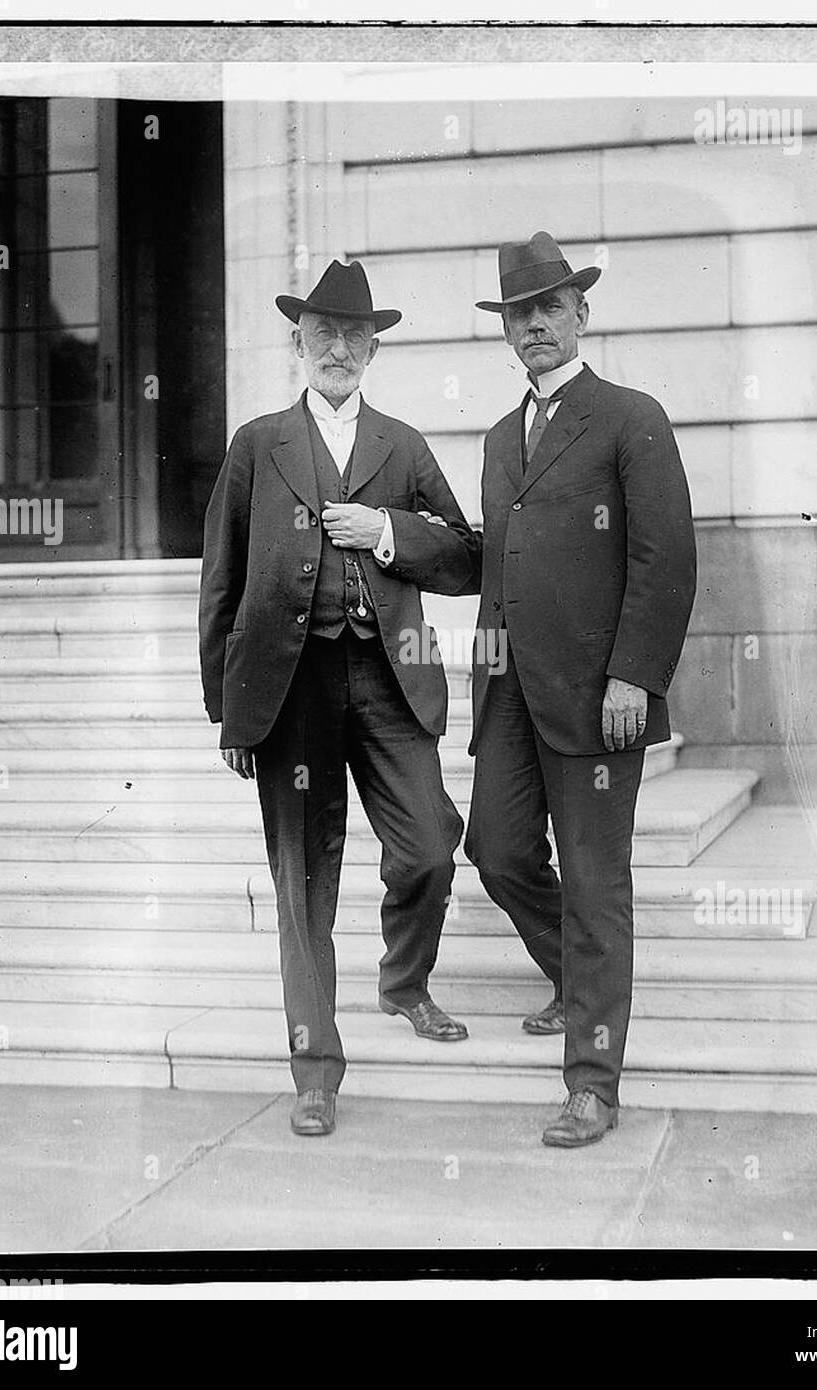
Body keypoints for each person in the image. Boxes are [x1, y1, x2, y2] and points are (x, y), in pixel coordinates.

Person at [199, 259, 482, 1137]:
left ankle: (403, 983)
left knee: (431, 846)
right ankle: (315, 1066)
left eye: (355, 335)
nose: (338, 348)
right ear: (297, 342)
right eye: (322, 332)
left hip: (391, 677)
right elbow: (221, 581)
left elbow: (468, 556)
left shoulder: (402, 444)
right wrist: (230, 710)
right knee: (303, 883)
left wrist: (390, 533)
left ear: (374, 349)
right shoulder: (258, 445)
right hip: (290, 691)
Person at [465, 232, 697, 1147]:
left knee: (597, 884)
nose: (535, 327)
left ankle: (593, 1085)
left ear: (580, 315)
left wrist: (635, 675)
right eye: (519, 315)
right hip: (512, 696)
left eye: (549, 309)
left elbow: (665, 558)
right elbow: (493, 567)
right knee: (495, 850)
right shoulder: (496, 438)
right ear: (507, 332)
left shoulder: (631, 417)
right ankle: (576, 975)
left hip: (603, 696)